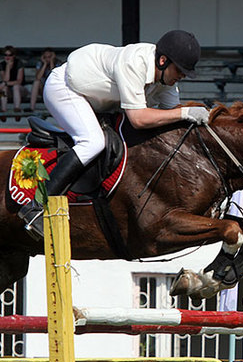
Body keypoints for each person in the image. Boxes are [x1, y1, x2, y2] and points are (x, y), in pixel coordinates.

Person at [18, 30, 209, 239]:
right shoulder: (134, 63)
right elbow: (139, 119)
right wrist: (185, 112)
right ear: (163, 61)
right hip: (65, 89)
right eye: (179, 70)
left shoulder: (165, 80)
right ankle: (36, 206)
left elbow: (171, 118)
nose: (181, 76)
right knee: (93, 142)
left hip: (98, 102)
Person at [0, 45, 28, 120]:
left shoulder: (19, 63)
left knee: (15, 87)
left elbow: (19, 81)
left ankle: (17, 109)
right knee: (4, 89)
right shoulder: (2, 65)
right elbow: (5, 79)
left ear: (14, 56)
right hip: (9, 91)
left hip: (21, 90)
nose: (8, 57)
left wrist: (5, 83)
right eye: (5, 55)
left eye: (10, 55)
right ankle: (3, 110)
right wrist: (7, 67)